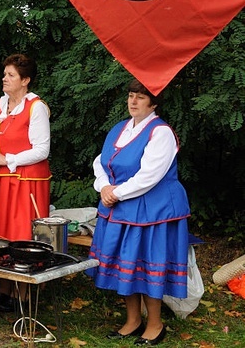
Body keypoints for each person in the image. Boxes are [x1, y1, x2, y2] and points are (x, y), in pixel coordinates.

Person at [87, 79, 190, 345]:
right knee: (126, 265)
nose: (133, 101)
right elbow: (100, 162)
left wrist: (115, 193)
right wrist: (104, 186)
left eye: (141, 97)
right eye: (131, 96)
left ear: (153, 103)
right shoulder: (119, 129)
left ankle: (155, 324)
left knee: (146, 265)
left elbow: (149, 176)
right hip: (121, 207)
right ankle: (133, 320)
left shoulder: (161, 132)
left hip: (152, 211)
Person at [0, 53, 51, 240]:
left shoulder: (35, 107)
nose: (4, 78)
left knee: (18, 234)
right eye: (5, 74)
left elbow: (41, 150)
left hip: (23, 183)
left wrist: (7, 159)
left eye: (11, 75)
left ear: (25, 80)